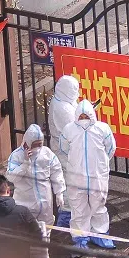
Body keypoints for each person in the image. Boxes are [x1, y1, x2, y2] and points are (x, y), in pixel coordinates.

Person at [6, 123, 66, 258]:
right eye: (35, 144)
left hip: (45, 203)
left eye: (40, 144)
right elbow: (11, 176)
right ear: (26, 143)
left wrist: (59, 192)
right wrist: (26, 163)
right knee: (27, 236)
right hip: (25, 205)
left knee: (45, 234)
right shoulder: (16, 156)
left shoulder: (47, 154)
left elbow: (56, 172)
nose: (38, 147)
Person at [58, 99, 117, 252]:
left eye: (86, 116)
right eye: (81, 116)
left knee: (99, 205)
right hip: (77, 176)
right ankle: (80, 238)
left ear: (92, 115)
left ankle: (100, 234)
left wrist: (101, 163)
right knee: (78, 208)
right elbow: (63, 149)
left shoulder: (102, 129)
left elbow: (110, 148)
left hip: (97, 175)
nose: (84, 119)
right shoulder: (69, 130)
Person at [48, 75, 80, 228]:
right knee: (69, 180)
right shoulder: (63, 109)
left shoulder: (60, 99)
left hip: (62, 147)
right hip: (65, 150)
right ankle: (66, 213)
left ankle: (67, 209)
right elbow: (73, 129)